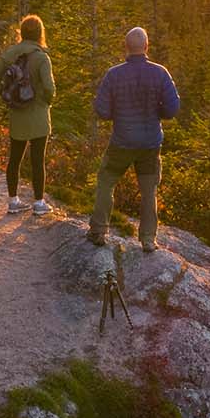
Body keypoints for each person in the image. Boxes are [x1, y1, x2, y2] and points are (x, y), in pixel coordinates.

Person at [88, 26, 179, 251]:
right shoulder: (160, 73)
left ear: (126, 47)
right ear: (146, 47)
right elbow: (172, 109)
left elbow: (102, 110)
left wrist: (117, 113)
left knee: (106, 181)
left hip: (122, 141)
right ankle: (148, 239)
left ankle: (99, 230)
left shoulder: (114, 75)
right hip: (150, 144)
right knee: (149, 190)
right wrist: (157, 111)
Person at [0, 14, 55, 215]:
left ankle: (13, 200)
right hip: (39, 114)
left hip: (17, 113)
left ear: (22, 32)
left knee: (14, 159)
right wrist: (46, 101)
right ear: (40, 33)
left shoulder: (10, 54)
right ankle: (39, 202)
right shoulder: (42, 57)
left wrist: (8, 96)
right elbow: (50, 88)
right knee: (37, 160)